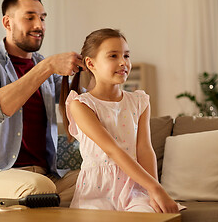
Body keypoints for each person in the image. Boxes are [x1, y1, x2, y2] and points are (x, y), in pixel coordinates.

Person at [0, 0, 85, 211]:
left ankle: (48, 205)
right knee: (38, 189)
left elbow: (79, 101)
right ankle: (47, 203)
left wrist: (94, 68)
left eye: (43, 18)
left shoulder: (44, 68)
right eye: (30, 17)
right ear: (7, 22)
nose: (39, 25)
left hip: (48, 177)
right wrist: (46, 67)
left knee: (99, 181)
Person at [59, 28, 185, 213]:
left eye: (126, 55)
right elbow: (112, 150)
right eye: (113, 56)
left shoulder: (139, 101)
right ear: (91, 63)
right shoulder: (81, 104)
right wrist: (156, 188)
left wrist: (153, 190)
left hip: (135, 188)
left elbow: (144, 149)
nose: (123, 62)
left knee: (151, 215)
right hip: (97, 191)